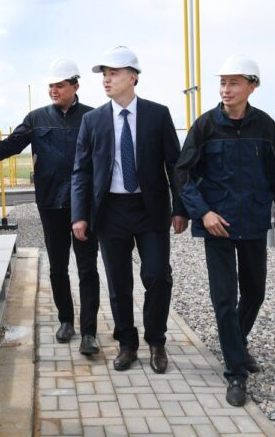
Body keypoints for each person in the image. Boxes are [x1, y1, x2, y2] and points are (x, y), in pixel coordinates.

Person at [175, 54, 275, 406]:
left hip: (253, 222)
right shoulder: (205, 126)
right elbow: (184, 175)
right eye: (222, 82)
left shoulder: (265, 127)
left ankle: (236, 343)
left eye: (234, 82)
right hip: (217, 226)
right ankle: (235, 372)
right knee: (224, 299)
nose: (226, 89)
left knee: (255, 292)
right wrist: (203, 213)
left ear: (252, 86)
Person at [0, 58, 102, 355]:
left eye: (60, 85)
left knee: (87, 267)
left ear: (75, 86)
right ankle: (66, 321)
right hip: (50, 202)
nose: (54, 90)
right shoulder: (37, 118)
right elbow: (13, 144)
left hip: (85, 205)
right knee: (58, 266)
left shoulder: (93, 117)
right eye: (51, 86)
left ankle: (89, 332)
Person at [71, 46, 188, 373]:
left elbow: (175, 165)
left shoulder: (157, 115)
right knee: (119, 282)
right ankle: (127, 343)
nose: (106, 80)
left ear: (133, 77)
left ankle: (156, 341)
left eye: (114, 74)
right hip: (111, 211)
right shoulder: (92, 120)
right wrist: (79, 215)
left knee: (157, 276)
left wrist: (180, 208)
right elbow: (81, 171)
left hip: (150, 209)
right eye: (104, 75)